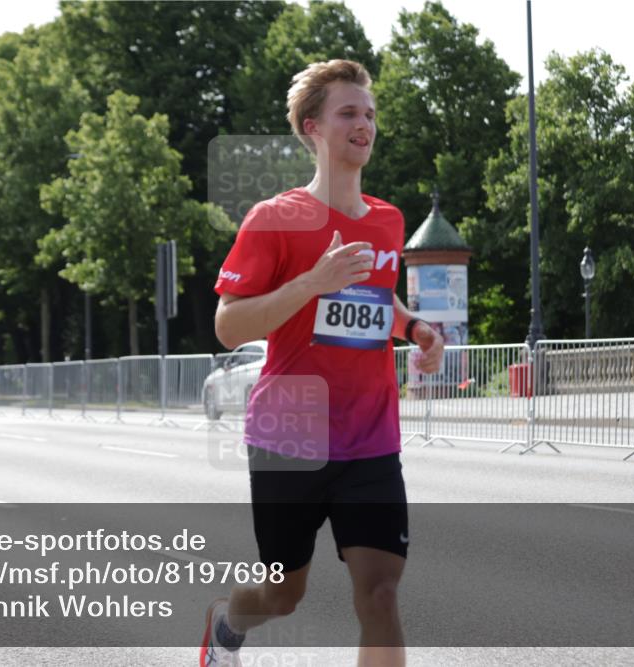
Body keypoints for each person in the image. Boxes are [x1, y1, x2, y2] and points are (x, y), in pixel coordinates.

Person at [202, 60, 444, 667]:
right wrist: (313, 281)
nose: (363, 124)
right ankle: (229, 624)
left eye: (369, 114)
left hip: (370, 440)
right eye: (348, 113)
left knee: (381, 594)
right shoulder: (273, 219)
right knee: (284, 595)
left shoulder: (388, 221)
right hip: (291, 436)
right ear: (312, 127)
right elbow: (229, 326)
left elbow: (375, 295)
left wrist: (412, 326)